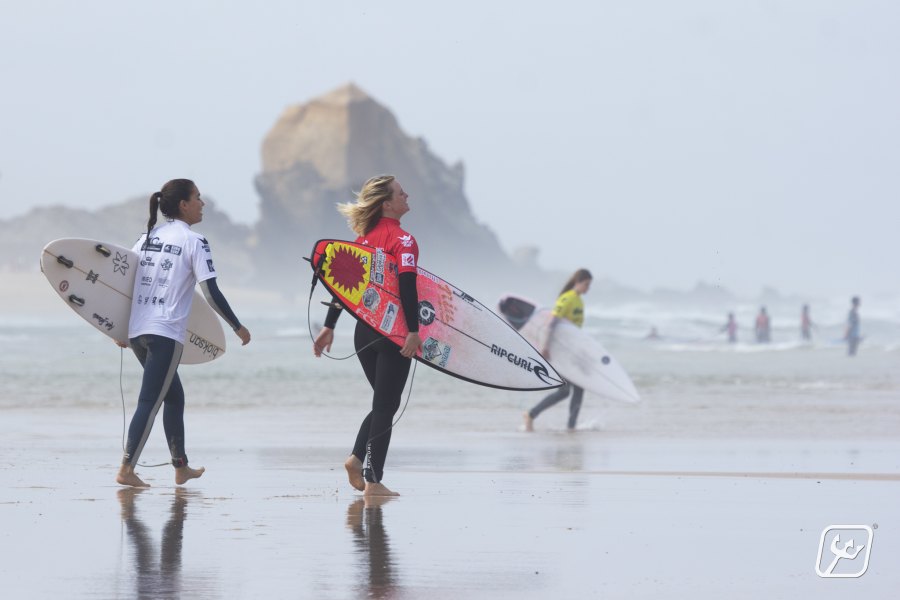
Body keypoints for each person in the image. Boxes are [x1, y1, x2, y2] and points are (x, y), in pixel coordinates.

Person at [116, 179, 251, 488]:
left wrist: (117, 326)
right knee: (150, 401)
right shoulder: (194, 241)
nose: (203, 203)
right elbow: (211, 292)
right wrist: (236, 325)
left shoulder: (147, 237)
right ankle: (126, 468)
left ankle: (181, 466)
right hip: (165, 333)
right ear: (184, 205)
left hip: (138, 332)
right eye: (198, 198)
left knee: (173, 397)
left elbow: (123, 283)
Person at [313, 175, 421, 497]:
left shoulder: (361, 241)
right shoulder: (403, 241)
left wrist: (330, 325)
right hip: (393, 333)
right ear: (387, 203)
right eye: (401, 192)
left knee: (383, 403)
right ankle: (373, 481)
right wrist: (413, 331)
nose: (406, 194)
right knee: (386, 406)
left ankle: (356, 459)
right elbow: (407, 287)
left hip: (363, 334)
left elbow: (344, 286)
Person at [523, 269, 592, 432]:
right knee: (565, 391)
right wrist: (545, 347)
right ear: (579, 282)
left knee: (578, 388)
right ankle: (531, 414)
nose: (588, 288)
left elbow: (574, 330)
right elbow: (551, 324)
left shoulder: (579, 301)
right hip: (559, 351)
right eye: (587, 284)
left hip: (572, 351)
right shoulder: (566, 299)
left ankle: (571, 426)